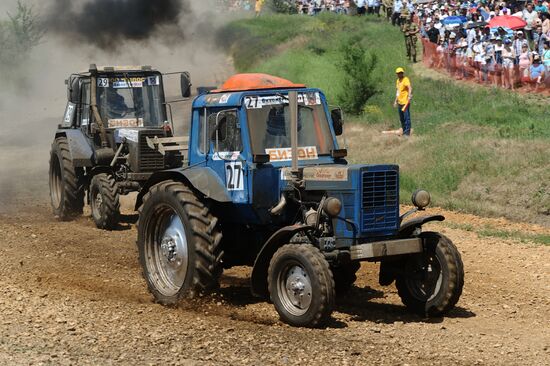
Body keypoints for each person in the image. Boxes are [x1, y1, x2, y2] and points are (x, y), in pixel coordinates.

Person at [393, 67, 412, 136]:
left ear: (402, 73)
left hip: (405, 102)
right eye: (398, 73)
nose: (399, 74)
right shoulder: (398, 81)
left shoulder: (405, 79)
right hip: (400, 103)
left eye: (400, 73)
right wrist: (395, 101)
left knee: (407, 118)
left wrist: (409, 95)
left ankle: (407, 133)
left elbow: (409, 87)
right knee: (401, 118)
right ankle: (404, 131)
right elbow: (398, 91)